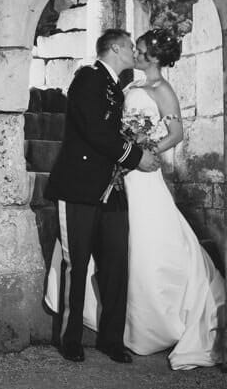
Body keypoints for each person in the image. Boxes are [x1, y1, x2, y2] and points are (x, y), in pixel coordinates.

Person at [43, 29, 160, 363]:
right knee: (76, 264)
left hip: (111, 190)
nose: (134, 55)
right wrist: (136, 157)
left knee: (115, 266)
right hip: (79, 188)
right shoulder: (88, 78)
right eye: (129, 48)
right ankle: (70, 339)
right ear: (114, 48)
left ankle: (111, 340)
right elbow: (95, 130)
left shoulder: (112, 86)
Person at [122, 28, 225, 370]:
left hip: (144, 173)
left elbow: (177, 133)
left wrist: (144, 152)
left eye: (138, 50)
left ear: (152, 57)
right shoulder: (131, 87)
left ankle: (160, 319)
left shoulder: (160, 89)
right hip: (124, 169)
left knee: (149, 238)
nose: (134, 55)